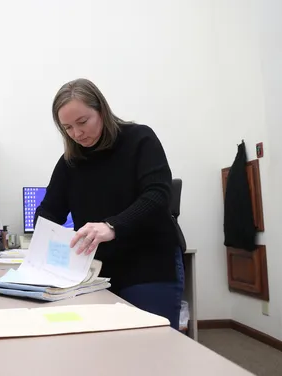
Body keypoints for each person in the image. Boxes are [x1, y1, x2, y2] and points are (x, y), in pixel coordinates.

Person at [34, 78, 185, 330]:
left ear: (102, 110)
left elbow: (157, 195)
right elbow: (50, 211)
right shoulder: (70, 162)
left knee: (151, 351)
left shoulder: (139, 140)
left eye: (83, 122)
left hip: (149, 266)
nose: (77, 133)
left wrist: (112, 226)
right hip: (97, 273)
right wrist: (41, 245)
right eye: (68, 127)